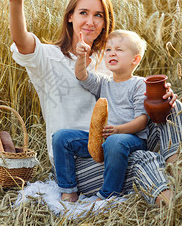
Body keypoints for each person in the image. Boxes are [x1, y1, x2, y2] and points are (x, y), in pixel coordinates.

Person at [0, 0, 182, 206]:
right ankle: (173, 204)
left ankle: (180, 176)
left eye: (99, 15)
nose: (91, 21)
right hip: (77, 160)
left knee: (171, 107)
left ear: (105, 23)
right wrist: (16, 2)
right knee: (138, 160)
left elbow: (131, 96)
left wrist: (159, 98)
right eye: (83, 13)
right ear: (70, 17)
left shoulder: (109, 57)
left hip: (116, 144)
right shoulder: (48, 57)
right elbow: (21, 41)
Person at [53, 30, 150, 202]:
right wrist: (81, 57)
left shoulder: (139, 84)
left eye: (119, 50)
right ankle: (68, 189)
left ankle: (108, 195)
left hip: (130, 139)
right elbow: (81, 76)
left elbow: (142, 121)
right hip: (104, 138)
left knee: (114, 142)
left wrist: (118, 130)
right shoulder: (104, 83)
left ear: (135, 60)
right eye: (108, 50)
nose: (112, 53)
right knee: (61, 137)